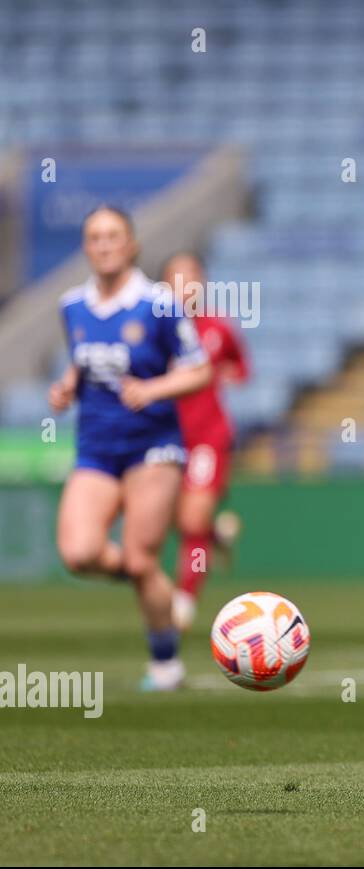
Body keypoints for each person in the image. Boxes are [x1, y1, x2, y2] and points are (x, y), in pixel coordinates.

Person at [50, 207, 212, 690]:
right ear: (86, 246)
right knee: (79, 552)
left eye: (112, 236)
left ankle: (165, 663)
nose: (103, 244)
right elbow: (83, 362)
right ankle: (151, 580)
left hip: (153, 446)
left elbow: (198, 369)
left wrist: (154, 390)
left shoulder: (159, 304)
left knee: (141, 558)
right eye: (94, 237)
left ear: (132, 244)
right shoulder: (71, 305)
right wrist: (66, 386)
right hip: (97, 447)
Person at [162, 252, 249, 631]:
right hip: (162, 438)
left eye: (192, 278)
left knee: (193, 516)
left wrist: (227, 373)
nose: (185, 287)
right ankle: (216, 537)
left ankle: (184, 600)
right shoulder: (152, 329)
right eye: (177, 279)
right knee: (168, 520)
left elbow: (241, 366)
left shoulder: (217, 327)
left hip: (207, 437)